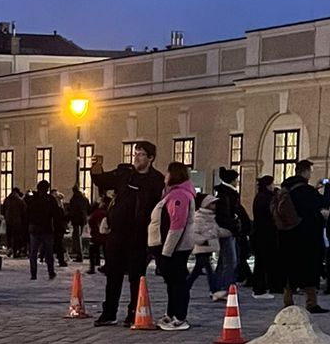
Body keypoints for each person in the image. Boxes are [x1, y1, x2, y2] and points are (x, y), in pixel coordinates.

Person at [94, 141, 164, 327]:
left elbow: (159, 209)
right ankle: (109, 312)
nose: (137, 158)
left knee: (136, 276)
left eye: (141, 154)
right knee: (113, 274)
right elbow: (102, 181)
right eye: (135, 154)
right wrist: (96, 167)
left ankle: (134, 312)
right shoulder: (125, 174)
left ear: (150, 158)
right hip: (117, 233)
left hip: (139, 235)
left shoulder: (156, 180)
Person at [278, 159, 328, 312]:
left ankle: (288, 300)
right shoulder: (306, 191)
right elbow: (324, 202)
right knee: (309, 269)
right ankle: (311, 302)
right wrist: (329, 186)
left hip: (288, 236)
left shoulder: (287, 189)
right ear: (306, 172)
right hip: (307, 237)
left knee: (290, 268)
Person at [153, 162, 199, 330]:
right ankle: (171, 313)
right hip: (175, 245)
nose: (165, 176)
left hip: (176, 247)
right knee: (172, 282)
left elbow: (177, 224)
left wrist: (166, 251)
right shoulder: (175, 193)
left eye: (167, 173)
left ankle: (179, 317)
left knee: (177, 281)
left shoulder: (179, 195)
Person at [210, 168, 251, 301]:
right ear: (232, 180)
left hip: (227, 230)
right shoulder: (227, 195)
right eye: (236, 179)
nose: (237, 182)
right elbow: (225, 215)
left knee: (223, 261)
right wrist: (235, 225)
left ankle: (216, 288)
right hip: (227, 231)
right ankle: (224, 288)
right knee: (231, 261)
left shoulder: (225, 193)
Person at [248, 175, 280, 297]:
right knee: (265, 262)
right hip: (266, 234)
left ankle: (259, 288)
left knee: (260, 263)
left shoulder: (259, 197)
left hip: (259, 233)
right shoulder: (267, 198)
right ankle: (262, 288)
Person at [25, 180, 61, 280]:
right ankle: (51, 272)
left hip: (35, 229)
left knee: (33, 253)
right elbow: (56, 214)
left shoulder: (32, 199)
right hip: (47, 229)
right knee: (49, 253)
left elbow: (27, 213)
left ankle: (33, 273)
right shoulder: (50, 199)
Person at [4, 186, 28, 261]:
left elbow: (3, 210)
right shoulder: (20, 201)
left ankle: (10, 249)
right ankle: (15, 252)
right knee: (16, 237)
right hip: (17, 222)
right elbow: (24, 212)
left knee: (9, 236)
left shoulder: (7, 200)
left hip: (8, 221)